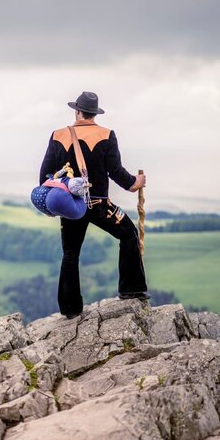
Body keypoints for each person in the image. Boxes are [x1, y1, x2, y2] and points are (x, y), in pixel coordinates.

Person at [39, 91, 149, 319]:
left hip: (70, 206)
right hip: (99, 204)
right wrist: (135, 183)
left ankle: (70, 309)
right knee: (128, 234)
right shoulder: (107, 135)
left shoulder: (58, 135)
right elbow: (116, 172)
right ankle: (131, 290)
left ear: (77, 111)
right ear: (94, 113)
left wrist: (51, 204)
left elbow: (45, 176)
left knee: (70, 253)